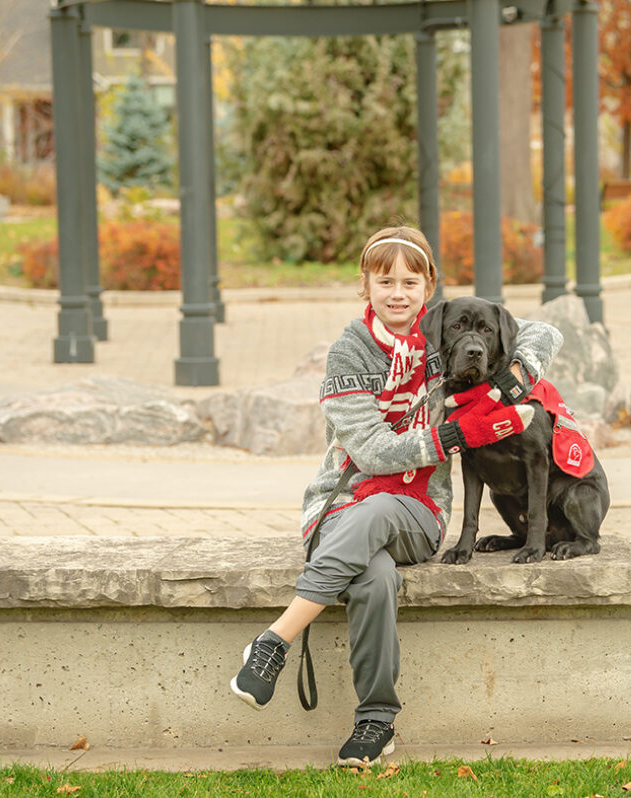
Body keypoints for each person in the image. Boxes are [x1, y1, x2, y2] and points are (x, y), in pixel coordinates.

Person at [229, 225, 562, 767]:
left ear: (428, 286)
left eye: (411, 280)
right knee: (376, 576)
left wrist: (515, 378)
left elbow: (543, 332)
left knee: (384, 511)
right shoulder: (348, 353)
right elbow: (373, 452)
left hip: (419, 512)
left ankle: (275, 640)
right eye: (385, 280)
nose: (398, 293)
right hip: (339, 507)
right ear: (366, 284)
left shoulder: (445, 338)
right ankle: (376, 722)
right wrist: (455, 435)